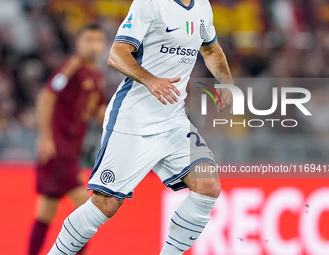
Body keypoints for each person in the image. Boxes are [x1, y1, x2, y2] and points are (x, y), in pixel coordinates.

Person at [48, 0, 233, 254]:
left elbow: (212, 50)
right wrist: (151, 81)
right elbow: (117, 54)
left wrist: (227, 81)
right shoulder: (150, 3)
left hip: (173, 120)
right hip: (133, 119)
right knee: (106, 204)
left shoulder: (203, 7)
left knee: (208, 186)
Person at [28, 24, 107, 255]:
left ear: (103, 45)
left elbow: (101, 112)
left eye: (97, 40)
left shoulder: (97, 76)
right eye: (88, 40)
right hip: (58, 150)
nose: (93, 45)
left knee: (46, 211)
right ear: (79, 43)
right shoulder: (72, 67)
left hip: (70, 151)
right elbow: (46, 97)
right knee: (86, 211)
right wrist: (45, 138)